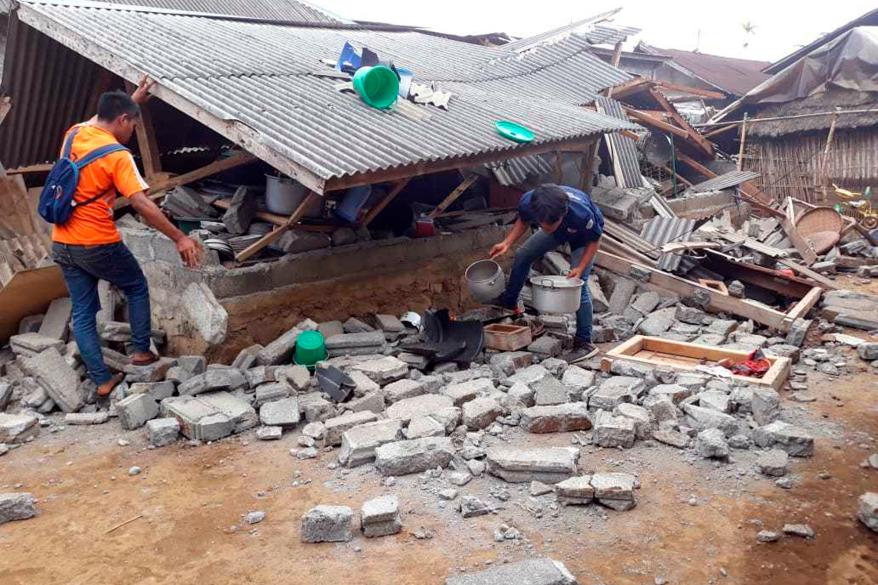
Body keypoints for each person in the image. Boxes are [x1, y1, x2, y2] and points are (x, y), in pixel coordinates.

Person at [51, 79, 203, 397]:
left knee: (82, 310)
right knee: (134, 285)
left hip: (63, 240)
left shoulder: (75, 133)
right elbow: (142, 204)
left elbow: (101, 119)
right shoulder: (118, 156)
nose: (133, 130)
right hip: (97, 242)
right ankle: (139, 351)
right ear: (122, 120)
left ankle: (101, 379)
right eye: (132, 124)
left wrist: (131, 102)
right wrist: (179, 238)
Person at [489, 183, 604, 362]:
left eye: (551, 222)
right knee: (522, 255)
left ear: (563, 214)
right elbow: (524, 220)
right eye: (541, 222)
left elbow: (594, 241)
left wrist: (579, 268)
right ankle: (509, 303)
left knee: (578, 284)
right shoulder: (531, 202)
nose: (545, 226)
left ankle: (584, 342)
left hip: (583, 238)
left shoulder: (582, 213)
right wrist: (507, 243)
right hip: (561, 232)